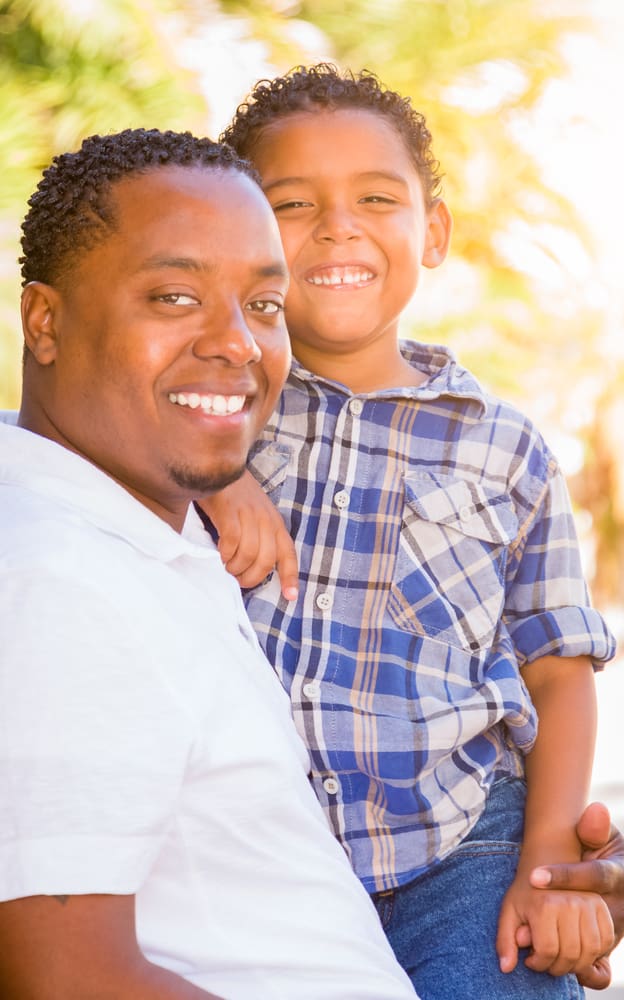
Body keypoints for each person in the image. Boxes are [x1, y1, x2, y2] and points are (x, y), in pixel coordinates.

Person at [200, 65, 624, 998]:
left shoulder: (504, 445)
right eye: (292, 203)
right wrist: (216, 477)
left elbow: (558, 669)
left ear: (430, 232)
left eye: (376, 198)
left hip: (461, 848)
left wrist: (548, 865)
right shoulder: (209, 411)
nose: (337, 225)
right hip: (253, 855)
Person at [0, 128, 422, 1000]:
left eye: (263, 306)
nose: (237, 343)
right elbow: (67, 979)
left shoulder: (135, 530)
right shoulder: (64, 581)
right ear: (45, 321)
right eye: (173, 296)